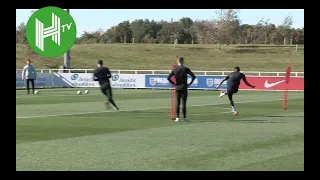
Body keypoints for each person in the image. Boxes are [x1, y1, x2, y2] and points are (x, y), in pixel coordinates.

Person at [167, 57, 196, 122]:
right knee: (184, 103)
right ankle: (185, 117)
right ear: (182, 61)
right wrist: (189, 84)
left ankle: (177, 117)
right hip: (184, 87)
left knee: (178, 103)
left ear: (177, 62)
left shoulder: (175, 69)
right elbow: (193, 76)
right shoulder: (186, 69)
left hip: (177, 87)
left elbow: (168, 78)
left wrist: (174, 83)